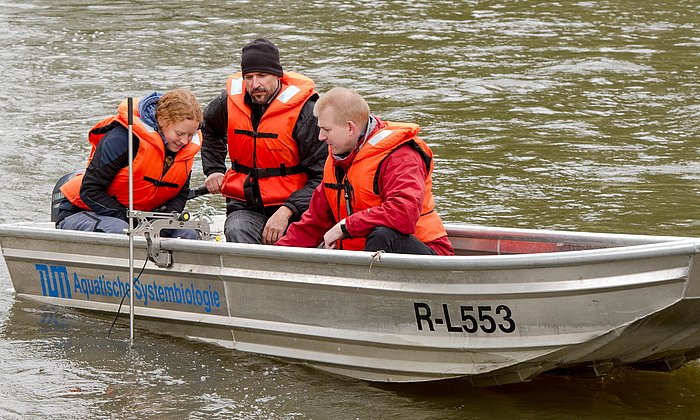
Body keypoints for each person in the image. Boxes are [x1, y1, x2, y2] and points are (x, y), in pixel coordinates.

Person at [276, 87, 454, 255]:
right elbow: (314, 223)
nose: (320, 137)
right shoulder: (338, 158)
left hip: (426, 253)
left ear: (350, 128)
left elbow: (403, 214)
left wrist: (345, 226)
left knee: (382, 235)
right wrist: (274, 256)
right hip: (363, 258)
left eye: (326, 130)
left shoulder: (400, 156)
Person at [200, 38, 327, 245]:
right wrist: (214, 169)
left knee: (298, 242)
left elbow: (322, 176)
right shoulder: (228, 102)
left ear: (277, 75)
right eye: (248, 77)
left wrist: (287, 210)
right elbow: (209, 130)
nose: (255, 84)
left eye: (262, 75)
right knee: (236, 229)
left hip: (297, 208)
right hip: (246, 205)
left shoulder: (306, 112)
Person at [55, 88, 203, 239]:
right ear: (162, 121)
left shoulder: (183, 150)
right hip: (84, 211)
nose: (185, 141)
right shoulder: (122, 139)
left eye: (190, 135)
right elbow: (90, 191)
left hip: (142, 219)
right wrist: (132, 221)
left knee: (188, 233)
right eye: (179, 134)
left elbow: (180, 194)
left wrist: (162, 223)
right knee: (121, 231)